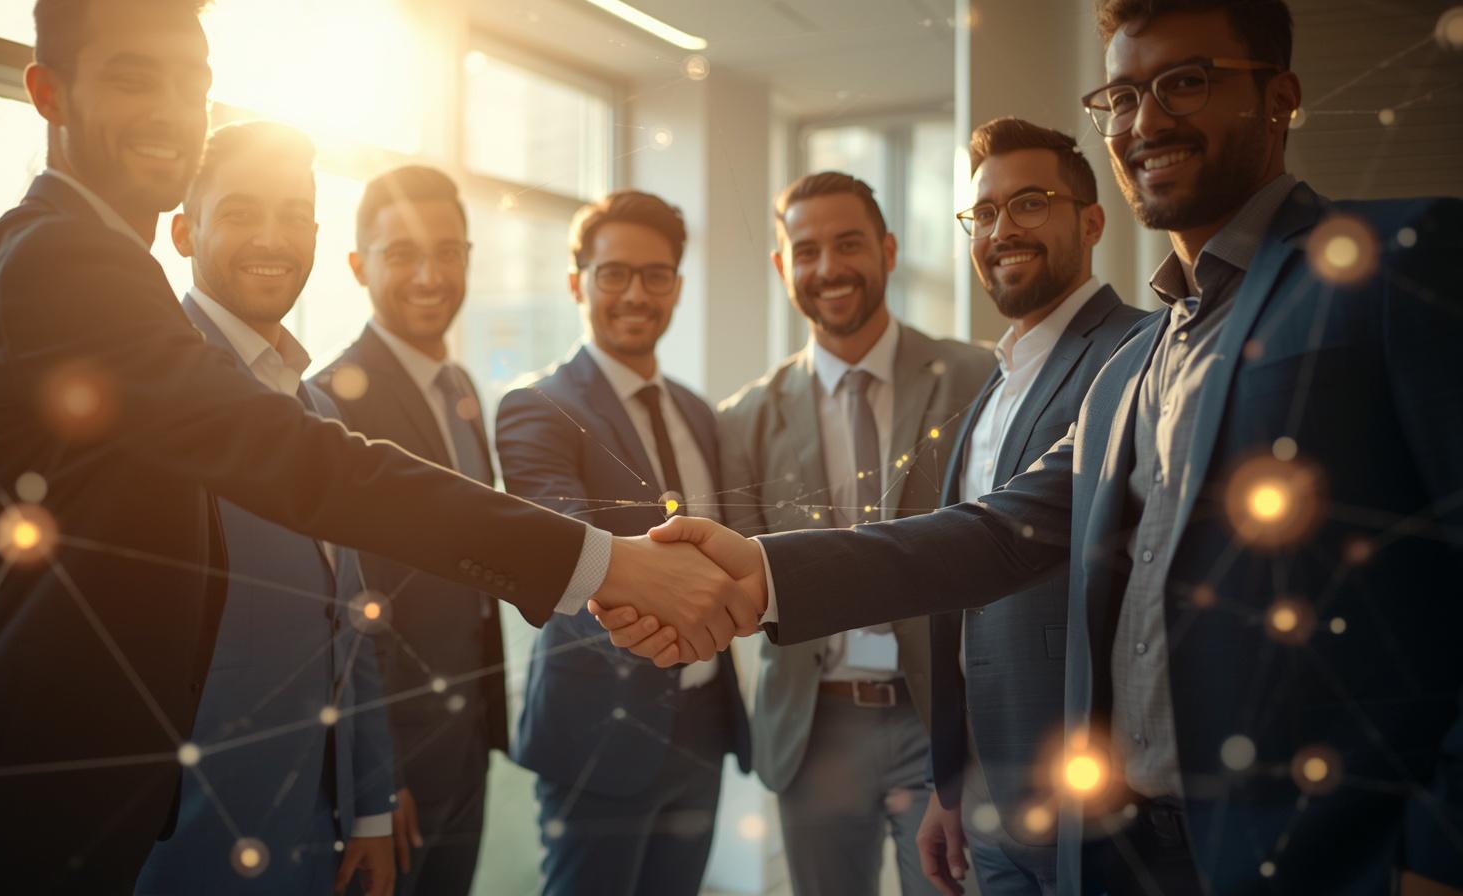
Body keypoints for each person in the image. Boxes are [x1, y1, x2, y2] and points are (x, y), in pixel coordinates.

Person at [0, 1, 754, 891]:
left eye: (194, 82)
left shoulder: (96, 262)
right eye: (136, 77)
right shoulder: (67, 260)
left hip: (68, 790)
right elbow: (306, 465)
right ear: (47, 93)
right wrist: (604, 564)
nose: (174, 106)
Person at [598, 1, 1463, 893]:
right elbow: (994, 533)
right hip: (1141, 851)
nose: (1146, 121)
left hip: (1332, 855)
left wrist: (1440, 854)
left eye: (1186, 83)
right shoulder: (1142, 359)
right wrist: (764, 573)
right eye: (1122, 97)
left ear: (1279, 97)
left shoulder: (1393, 264)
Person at [133, 120, 395, 896]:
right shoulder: (150, 393)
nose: (271, 238)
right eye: (241, 212)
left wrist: (370, 808)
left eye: (292, 214)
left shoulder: (316, 408)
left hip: (315, 836)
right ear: (184, 232)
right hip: (185, 842)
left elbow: (353, 618)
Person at [718, 171, 991, 896]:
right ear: (783, 267)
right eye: (806, 251)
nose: (829, 269)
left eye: (849, 244)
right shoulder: (744, 418)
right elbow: (743, 588)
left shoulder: (975, 375)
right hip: (815, 726)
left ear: (889, 249)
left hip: (939, 716)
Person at [909, 118, 1145, 896]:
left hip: (1096, 806)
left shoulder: (1139, 354)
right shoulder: (990, 389)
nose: (1001, 230)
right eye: (983, 213)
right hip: (986, 800)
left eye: (1030, 203)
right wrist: (954, 783)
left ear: (1092, 220)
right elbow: (962, 599)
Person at [496, 190, 751, 896]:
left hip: (702, 725)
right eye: (614, 274)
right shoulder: (537, 405)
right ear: (578, 283)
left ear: (677, 287)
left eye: (656, 275)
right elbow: (562, 546)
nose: (636, 294)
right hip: (597, 735)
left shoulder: (699, 412)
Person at [313, 165, 502, 896]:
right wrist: (378, 774)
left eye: (449, 252)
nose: (431, 276)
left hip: (467, 732)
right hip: (393, 752)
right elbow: (347, 608)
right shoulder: (331, 404)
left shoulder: (461, 390)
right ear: (360, 266)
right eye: (403, 256)